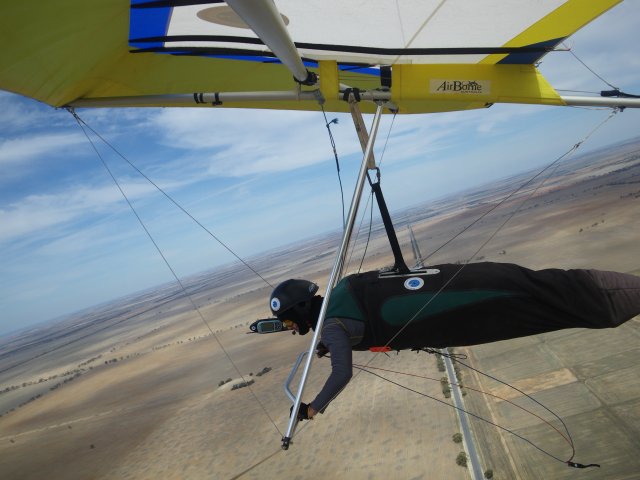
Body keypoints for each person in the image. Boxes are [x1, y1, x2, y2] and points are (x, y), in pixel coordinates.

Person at [268, 262, 640, 421]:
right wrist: (332, 341)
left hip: (463, 312)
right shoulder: (342, 292)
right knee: (543, 286)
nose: (291, 328)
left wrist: (313, 408)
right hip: (467, 280)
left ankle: (611, 300)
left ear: (300, 311)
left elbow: (341, 373)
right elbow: (355, 323)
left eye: (288, 321)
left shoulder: (333, 325)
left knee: (542, 306)